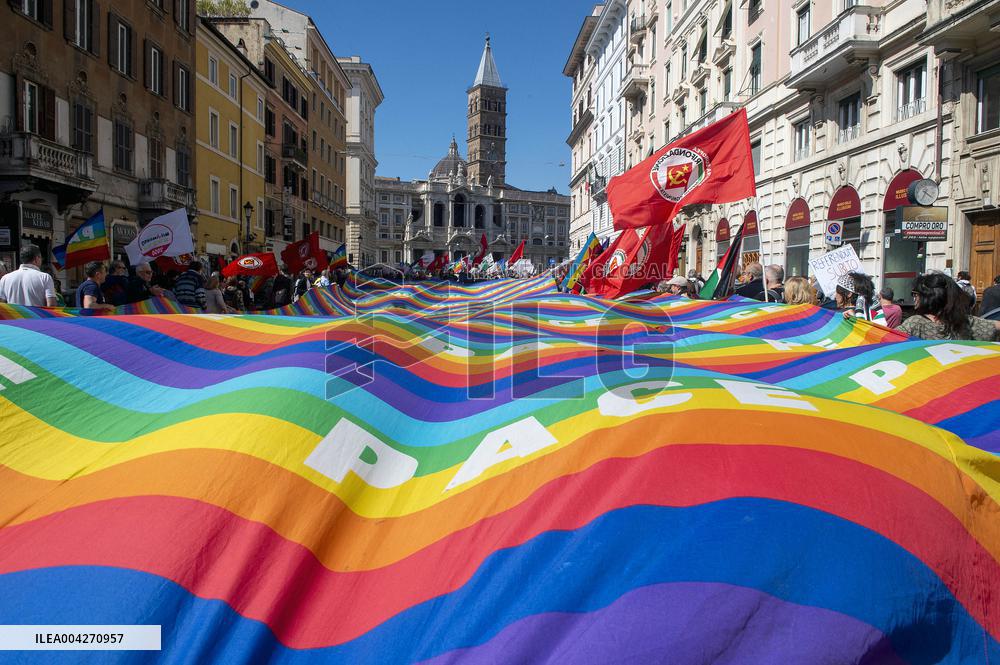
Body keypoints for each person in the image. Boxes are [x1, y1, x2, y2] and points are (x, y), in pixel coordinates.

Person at [899, 272, 1000, 341]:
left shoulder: (915, 324)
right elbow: (995, 326)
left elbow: (891, 342)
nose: (914, 298)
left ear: (927, 298)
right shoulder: (967, 322)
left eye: (915, 294)